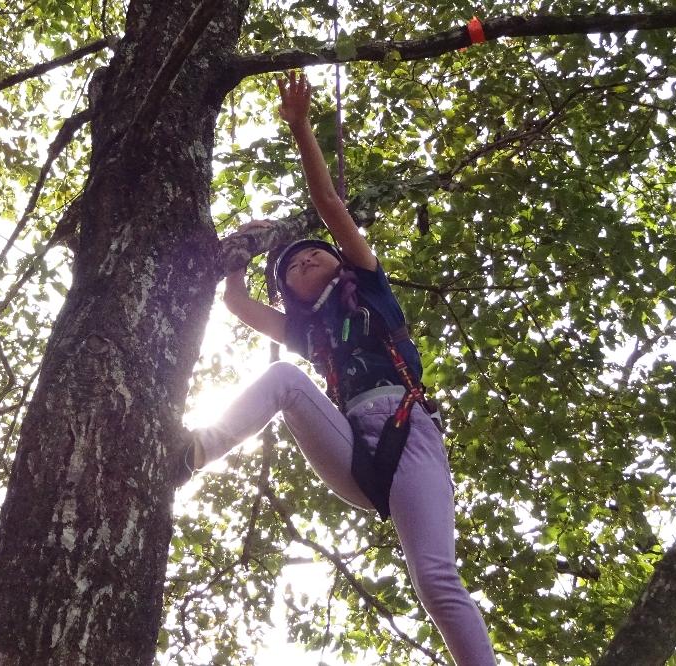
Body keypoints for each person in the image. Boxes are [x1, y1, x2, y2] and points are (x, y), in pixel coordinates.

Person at [180, 72, 496, 665]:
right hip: (351, 445)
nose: (303, 258)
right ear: (291, 294)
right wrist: (238, 256)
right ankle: (195, 452)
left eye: (312, 251)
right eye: (291, 265)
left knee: (434, 580)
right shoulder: (308, 331)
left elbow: (329, 204)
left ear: (337, 260)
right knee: (283, 381)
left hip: (409, 438)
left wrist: (301, 128)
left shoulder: (370, 288)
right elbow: (238, 306)